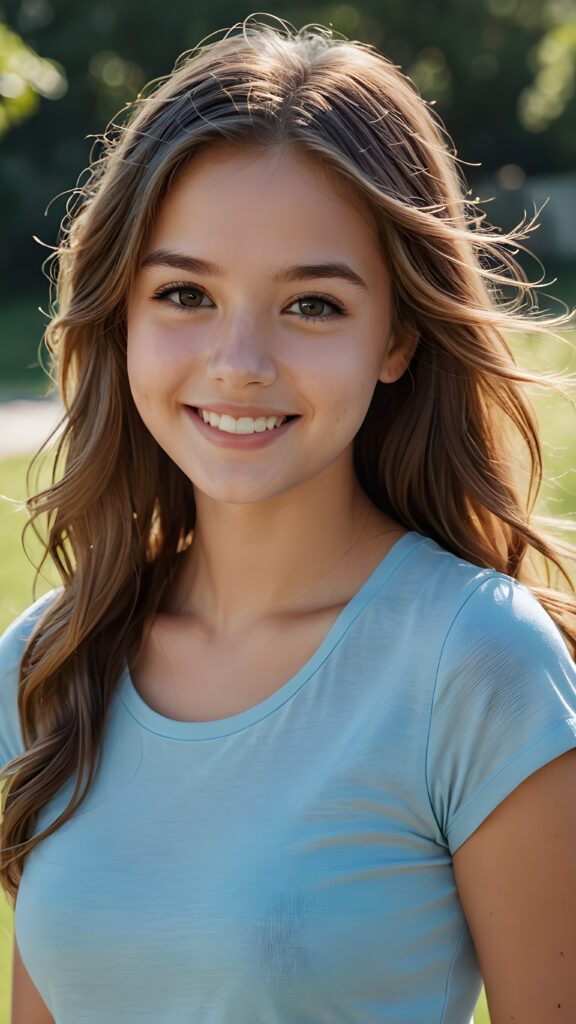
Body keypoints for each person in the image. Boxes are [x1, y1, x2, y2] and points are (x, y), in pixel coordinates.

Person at [1, 15, 576, 1024]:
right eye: (185, 292)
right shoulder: (47, 665)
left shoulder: (478, 665)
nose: (239, 362)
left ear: (397, 336)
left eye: (312, 305)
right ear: (122, 315)